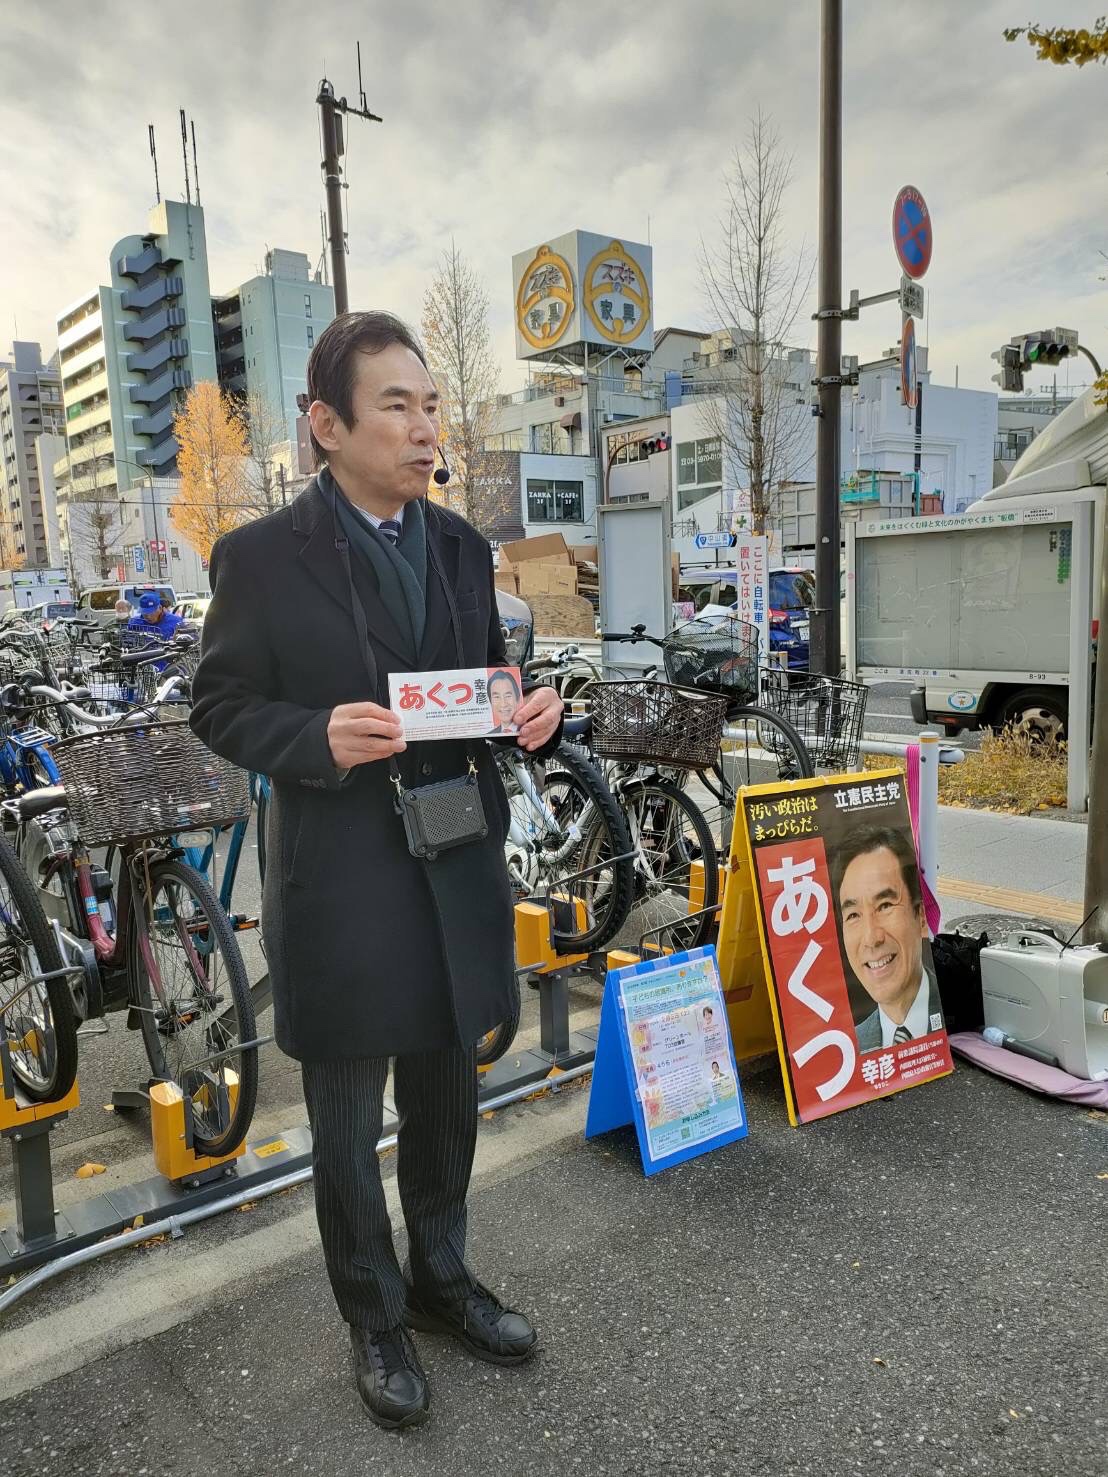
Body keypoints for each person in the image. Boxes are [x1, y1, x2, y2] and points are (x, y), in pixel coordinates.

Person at [190, 311, 563, 1433]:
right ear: (324, 425)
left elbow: (485, 679)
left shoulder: (457, 544)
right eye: (395, 405)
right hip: (342, 876)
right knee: (348, 1127)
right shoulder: (260, 557)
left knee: (448, 1100)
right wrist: (312, 739)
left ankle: (442, 1278)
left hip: (453, 859)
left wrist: (528, 710)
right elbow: (218, 703)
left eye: (431, 403)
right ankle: (375, 1314)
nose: (422, 425)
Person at [830, 825, 942, 1053]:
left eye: (885, 906)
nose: (871, 938)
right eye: (853, 915)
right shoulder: (849, 1051)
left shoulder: (960, 1016)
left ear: (921, 917)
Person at [486, 667, 522, 734]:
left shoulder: (529, 729)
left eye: (508, 696)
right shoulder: (490, 735)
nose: (503, 704)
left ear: (517, 698)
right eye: (496, 697)